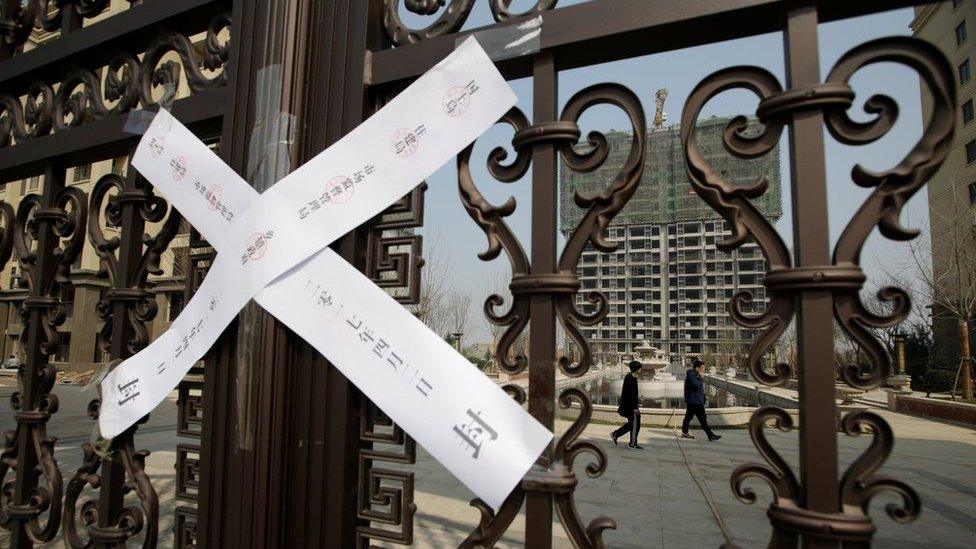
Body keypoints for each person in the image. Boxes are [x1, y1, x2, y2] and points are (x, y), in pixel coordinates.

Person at [682, 358, 721, 442]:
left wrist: (704, 396)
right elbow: (697, 385)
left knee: (688, 417)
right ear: (697, 368)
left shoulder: (695, 375)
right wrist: (701, 377)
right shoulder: (691, 375)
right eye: (702, 367)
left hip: (695, 400)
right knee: (702, 419)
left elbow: (699, 389)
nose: (703, 369)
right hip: (695, 402)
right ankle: (710, 435)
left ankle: (684, 433)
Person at [611, 360, 643, 449]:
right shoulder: (630, 378)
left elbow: (633, 394)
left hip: (630, 406)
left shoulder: (631, 377)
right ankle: (632, 444)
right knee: (635, 424)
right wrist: (634, 408)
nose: (641, 369)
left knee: (632, 423)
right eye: (640, 368)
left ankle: (616, 434)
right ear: (637, 369)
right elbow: (630, 395)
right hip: (630, 407)